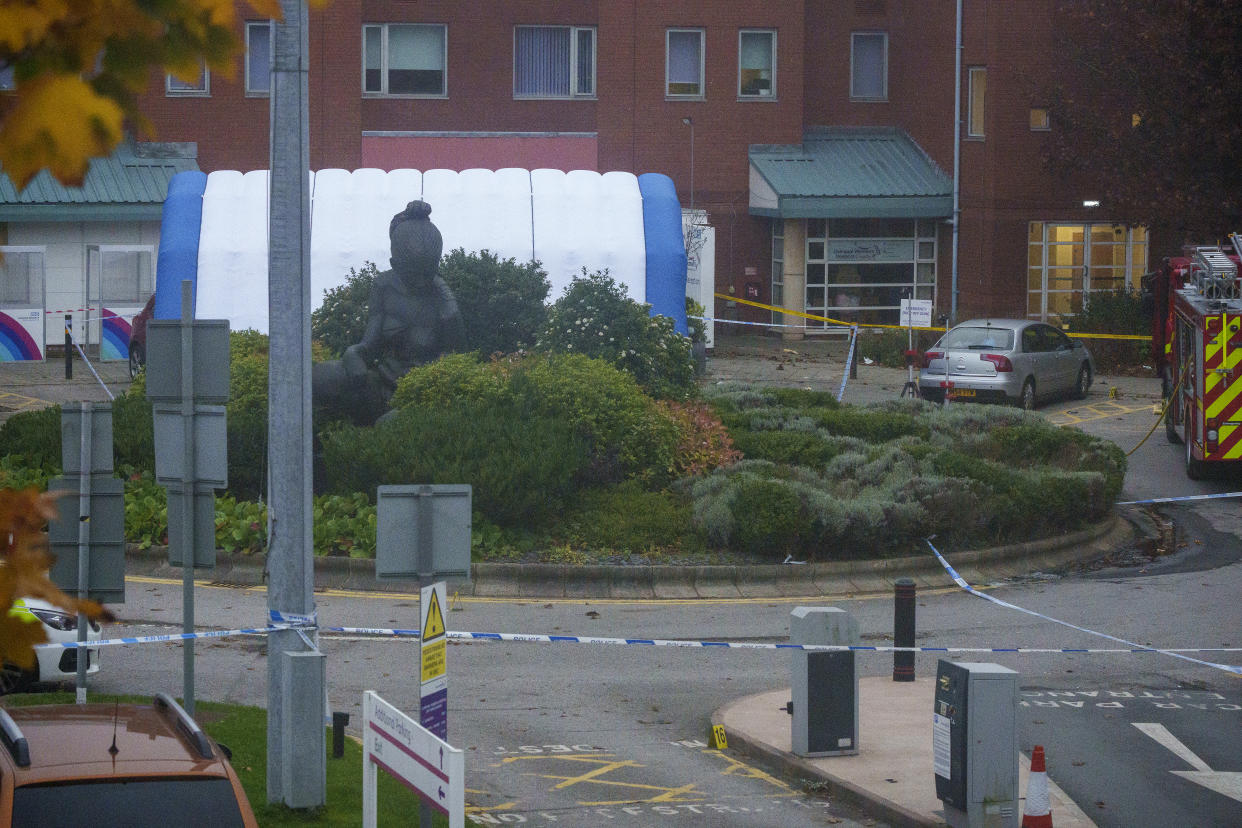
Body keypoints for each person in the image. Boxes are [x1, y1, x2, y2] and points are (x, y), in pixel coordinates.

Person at [312, 200, 465, 425]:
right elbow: (369, 344)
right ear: (395, 264)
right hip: (383, 383)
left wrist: (451, 309)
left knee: (388, 425)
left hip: (422, 394)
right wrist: (353, 355)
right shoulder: (383, 286)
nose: (422, 281)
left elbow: (458, 359)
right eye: (413, 274)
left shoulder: (441, 296)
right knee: (320, 378)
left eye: (428, 272)